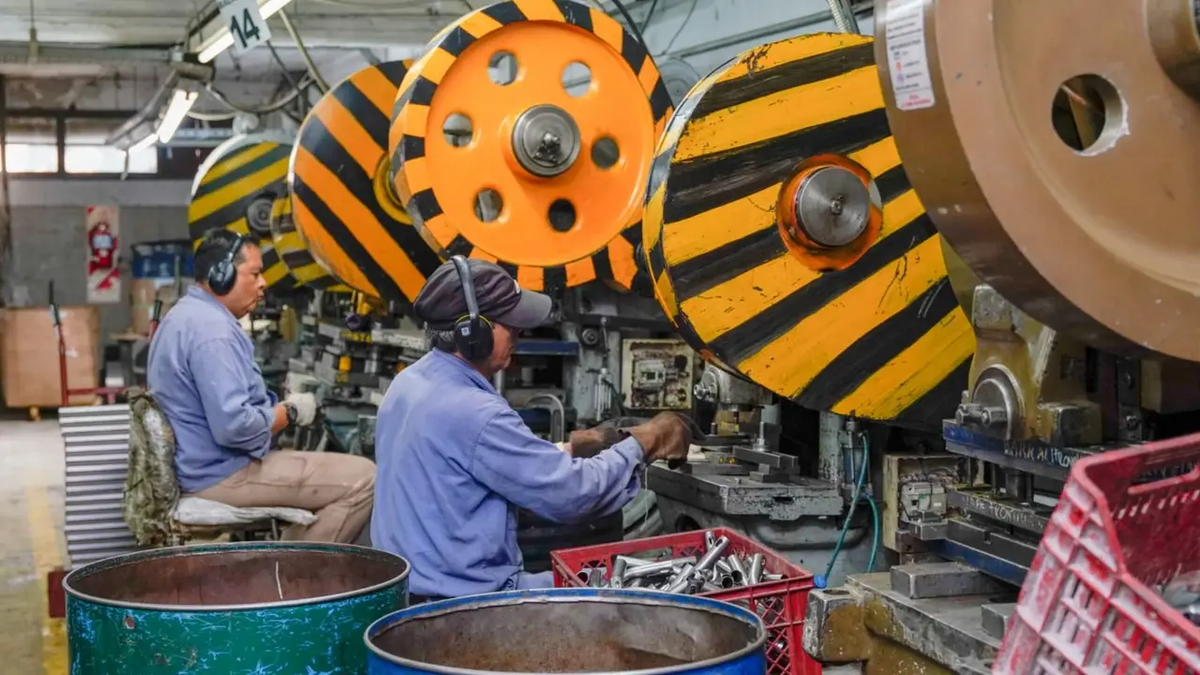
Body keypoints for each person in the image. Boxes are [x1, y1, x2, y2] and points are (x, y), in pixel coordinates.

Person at [372, 256, 694, 601]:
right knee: (629, 594)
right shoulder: (476, 411)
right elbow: (575, 494)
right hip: (464, 604)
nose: (519, 333)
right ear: (474, 333)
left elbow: (467, 465)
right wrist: (648, 439)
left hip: (405, 592)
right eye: (510, 323)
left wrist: (571, 449)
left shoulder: (409, 382)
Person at [147, 229, 375, 543]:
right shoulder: (212, 332)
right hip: (220, 475)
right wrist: (290, 412)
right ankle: (294, 570)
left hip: (197, 466)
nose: (263, 283)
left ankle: (281, 557)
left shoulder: (184, 315)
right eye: (254, 274)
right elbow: (234, 427)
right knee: (365, 478)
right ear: (221, 276)